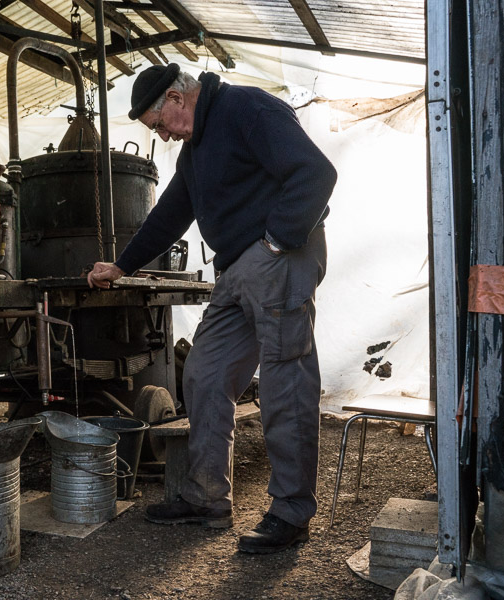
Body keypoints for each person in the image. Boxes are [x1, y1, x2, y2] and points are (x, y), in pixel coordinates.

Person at [87, 63, 337, 554]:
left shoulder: (247, 108)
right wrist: (122, 265)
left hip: (278, 257)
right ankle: (205, 497)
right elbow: (170, 214)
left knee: (285, 381)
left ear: (178, 99)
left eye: (158, 124)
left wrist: (277, 242)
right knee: (203, 373)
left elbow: (316, 172)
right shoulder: (195, 150)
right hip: (236, 271)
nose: (160, 134)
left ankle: (290, 511)